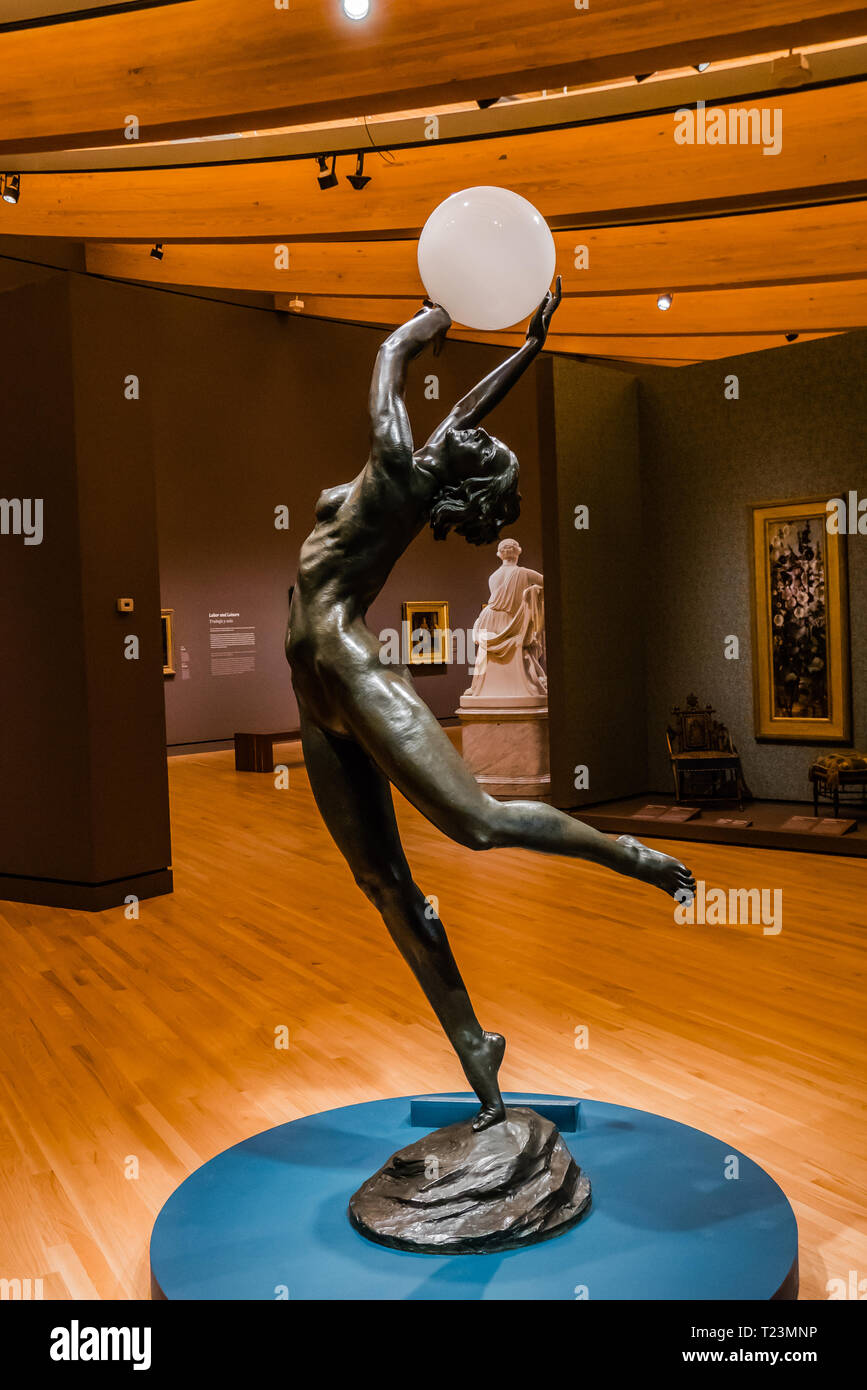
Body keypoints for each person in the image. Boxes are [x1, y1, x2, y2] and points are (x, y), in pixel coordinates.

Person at [286, 280, 695, 1130]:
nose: (467, 425)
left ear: (459, 460)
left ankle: (624, 853)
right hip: (312, 684)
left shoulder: (397, 467)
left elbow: (387, 358)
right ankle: (474, 1043)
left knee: (473, 822)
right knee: (380, 879)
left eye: (474, 438)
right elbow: (467, 407)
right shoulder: (417, 463)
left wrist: (434, 319)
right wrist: (529, 348)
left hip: (347, 667)